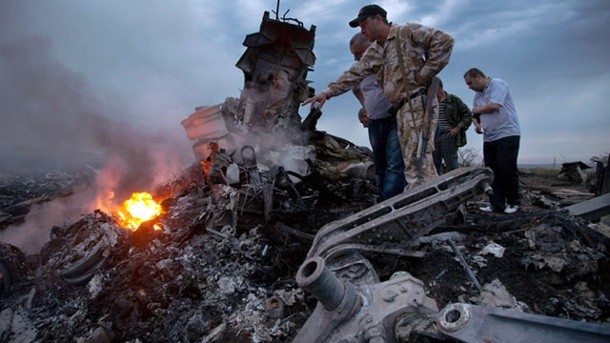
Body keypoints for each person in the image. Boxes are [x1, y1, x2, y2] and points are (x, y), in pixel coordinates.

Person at [302, 4, 454, 188]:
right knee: (415, 164)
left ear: (378, 19)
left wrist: (424, 74)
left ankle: (426, 207)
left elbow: (444, 41)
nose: (362, 29)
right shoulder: (376, 50)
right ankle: (430, 204)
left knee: (418, 163)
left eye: (364, 24)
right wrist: (326, 93)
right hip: (401, 110)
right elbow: (354, 73)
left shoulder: (406, 32)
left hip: (416, 103)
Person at [350, 33, 405, 200]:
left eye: (358, 53)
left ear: (370, 47)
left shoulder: (387, 61)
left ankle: (392, 203)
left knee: (395, 163)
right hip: (374, 121)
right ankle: (383, 201)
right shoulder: (359, 69)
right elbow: (354, 88)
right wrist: (365, 106)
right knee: (380, 164)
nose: (355, 58)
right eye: (353, 54)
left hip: (394, 119)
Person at [463, 68, 521, 214]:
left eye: (470, 83)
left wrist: (477, 111)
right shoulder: (478, 95)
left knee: (506, 167)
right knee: (492, 171)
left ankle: (514, 202)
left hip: (507, 133)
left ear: (478, 77)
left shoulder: (498, 84)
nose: (469, 87)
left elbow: (494, 106)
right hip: (489, 137)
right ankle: (497, 204)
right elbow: (474, 114)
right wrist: (476, 125)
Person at [432, 78, 472, 174]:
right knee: (434, 165)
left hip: (448, 135)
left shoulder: (453, 100)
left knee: (452, 165)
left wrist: (458, 127)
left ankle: (458, 185)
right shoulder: (430, 102)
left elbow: (468, 115)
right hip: (433, 137)